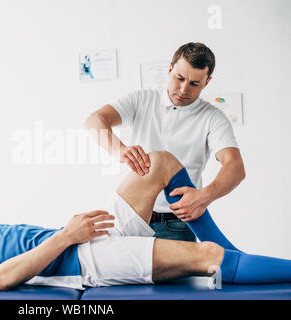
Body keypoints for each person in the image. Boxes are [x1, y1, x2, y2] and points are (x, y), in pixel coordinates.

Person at [0, 151, 291, 291]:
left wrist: (74, 233)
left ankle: (236, 256)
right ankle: (232, 259)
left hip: (89, 237)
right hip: (86, 261)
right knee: (208, 256)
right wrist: (67, 237)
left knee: (160, 162)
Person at [85, 42, 246, 242]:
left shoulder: (213, 117)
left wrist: (205, 196)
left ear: (207, 82)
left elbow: (235, 166)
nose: (183, 89)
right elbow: (95, 120)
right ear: (170, 70)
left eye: (195, 84)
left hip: (178, 224)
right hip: (132, 216)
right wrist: (119, 150)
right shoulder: (142, 100)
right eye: (179, 78)